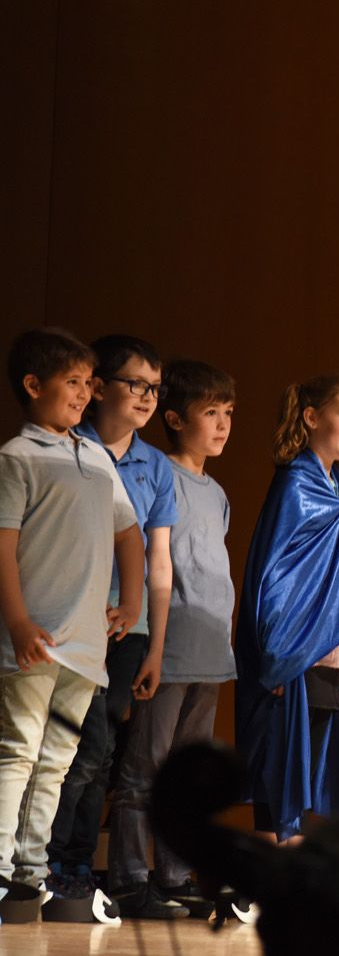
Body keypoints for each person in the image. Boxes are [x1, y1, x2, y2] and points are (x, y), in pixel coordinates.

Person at [0, 329, 143, 900]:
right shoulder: (17, 457)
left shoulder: (95, 456)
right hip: (35, 638)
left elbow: (128, 533)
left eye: (89, 382)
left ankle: (31, 870)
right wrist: (17, 620)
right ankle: (1, 866)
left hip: (84, 648)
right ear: (34, 386)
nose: (85, 392)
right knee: (19, 750)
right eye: (73, 382)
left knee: (57, 758)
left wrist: (132, 603)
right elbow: (4, 543)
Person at [46, 334, 184, 919]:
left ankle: (77, 865)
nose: (148, 396)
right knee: (65, 747)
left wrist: (154, 645)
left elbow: (159, 560)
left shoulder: (155, 466)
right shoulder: (67, 446)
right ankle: (46, 864)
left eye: (155, 387)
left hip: (130, 629)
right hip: (70, 619)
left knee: (101, 751)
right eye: (136, 384)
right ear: (99, 388)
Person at [235, 374, 339, 842]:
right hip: (293, 642)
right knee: (282, 750)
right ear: (311, 417)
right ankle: (274, 855)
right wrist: (277, 655)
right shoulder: (295, 484)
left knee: (312, 746)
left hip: (325, 640)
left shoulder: (336, 485)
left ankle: (292, 851)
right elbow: (272, 571)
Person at [105, 360, 239, 918]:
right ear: (177, 418)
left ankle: (176, 873)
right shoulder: (158, 473)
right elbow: (152, 560)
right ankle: (130, 876)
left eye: (228, 412)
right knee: (145, 768)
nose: (223, 424)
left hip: (211, 654)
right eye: (211, 412)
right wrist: (153, 645)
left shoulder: (217, 492)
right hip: (169, 647)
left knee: (187, 778)